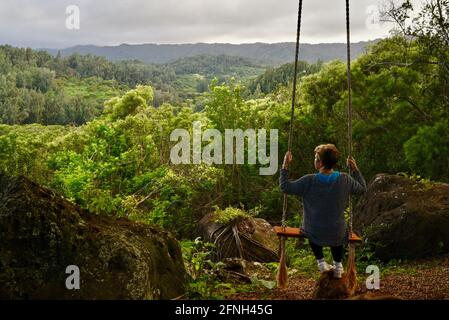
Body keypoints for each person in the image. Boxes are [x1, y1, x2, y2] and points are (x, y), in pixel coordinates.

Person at [279, 144, 366, 278]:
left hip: (314, 231)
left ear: (319, 162)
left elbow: (285, 187)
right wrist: (355, 169)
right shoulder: (345, 179)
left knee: (310, 229)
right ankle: (338, 265)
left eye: (315, 158)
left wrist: (285, 165)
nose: (314, 160)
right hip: (337, 232)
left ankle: (321, 262)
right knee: (337, 232)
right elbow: (362, 189)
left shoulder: (309, 180)